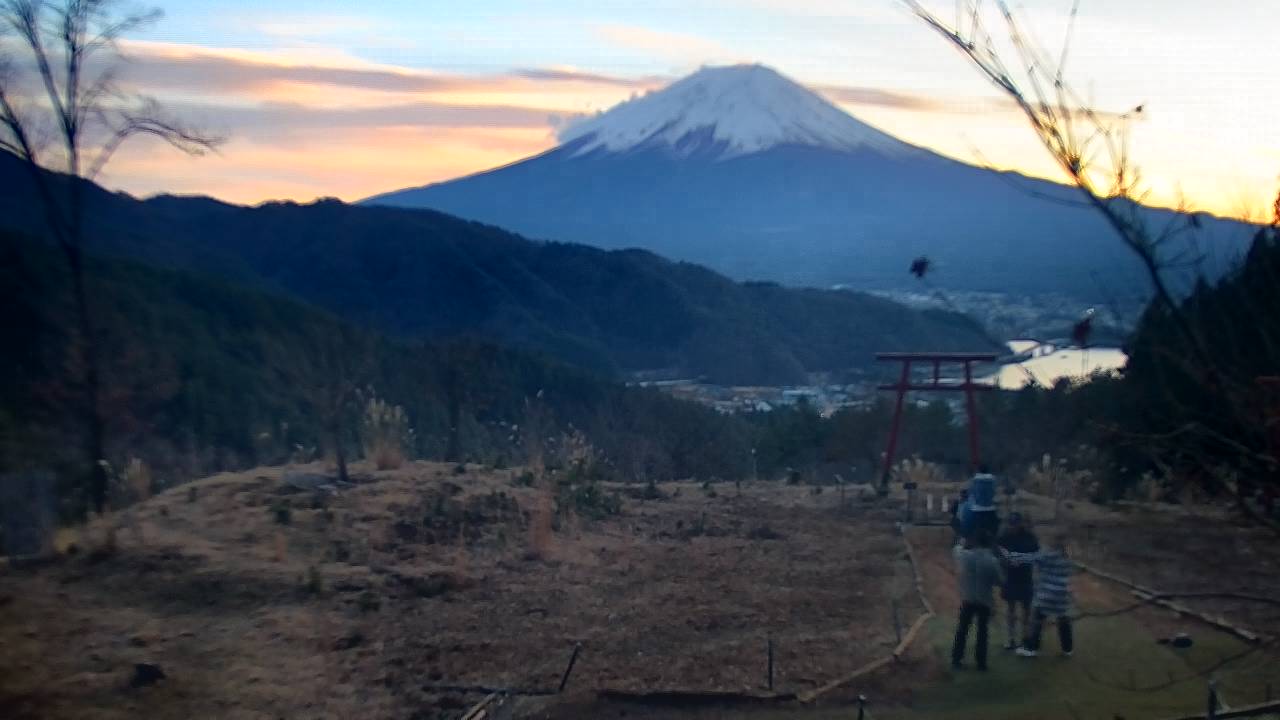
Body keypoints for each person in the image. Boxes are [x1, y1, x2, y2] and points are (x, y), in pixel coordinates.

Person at [1007, 532, 1075, 658]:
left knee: (1037, 621)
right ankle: (1068, 649)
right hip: (1062, 595)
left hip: (1047, 595)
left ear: (1054, 542)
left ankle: (1031, 648)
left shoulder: (1048, 555)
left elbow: (1030, 558)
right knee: (1063, 621)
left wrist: (1011, 555)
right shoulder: (1067, 556)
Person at [951, 529, 1005, 671]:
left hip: (968, 598)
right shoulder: (992, 561)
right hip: (984, 600)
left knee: (962, 630)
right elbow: (999, 581)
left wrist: (963, 541)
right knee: (982, 632)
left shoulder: (964, 556)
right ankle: (981, 663)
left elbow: (956, 549)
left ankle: (957, 659)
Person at [996, 513, 1040, 650]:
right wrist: (1005, 560)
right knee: (1011, 609)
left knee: (1026, 610)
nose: (1013, 527)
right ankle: (1010, 639)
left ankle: (1025, 637)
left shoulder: (1030, 537)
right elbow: (997, 552)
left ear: (1020, 524)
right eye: (1011, 524)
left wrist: (1021, 559)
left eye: (1015, 524)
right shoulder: (1004, 537)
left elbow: (1037, 554)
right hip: (1010, 577)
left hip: (1025, 577)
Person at [968, 465, 1000, 540]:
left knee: (975, 530)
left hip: (977, 509)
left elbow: (971, 492)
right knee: (992, 530)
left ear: (979, 471)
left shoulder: (974, 481)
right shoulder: (993, 480)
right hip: (990, 508)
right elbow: (994, 492)